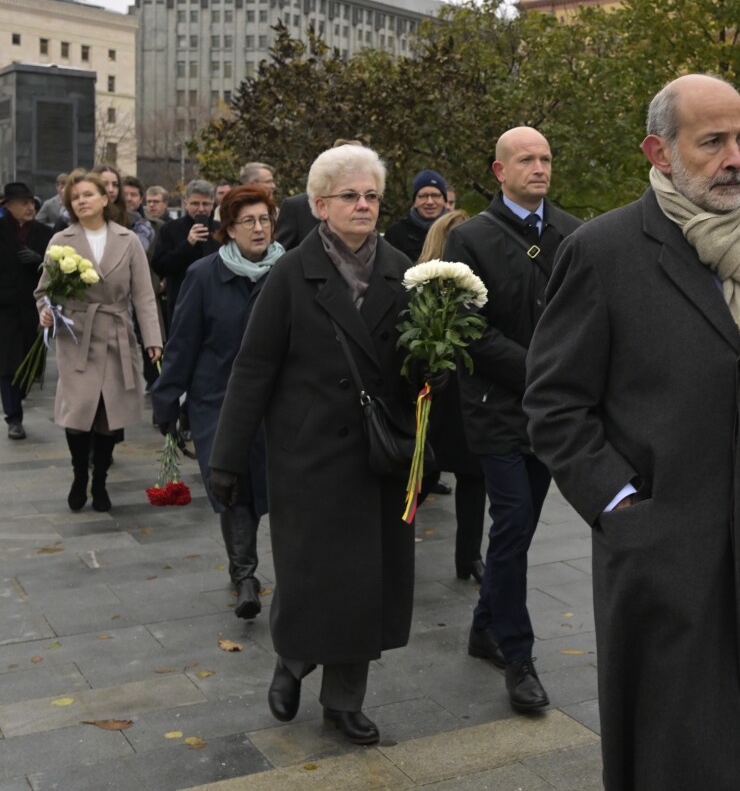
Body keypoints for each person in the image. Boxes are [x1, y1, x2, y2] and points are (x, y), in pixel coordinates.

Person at [525, 74, 740, 789]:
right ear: (660, 150)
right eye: (712, 142)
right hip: (659, 548)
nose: (735, 157)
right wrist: (621, 508)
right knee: (673, 746)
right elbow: (554, 404)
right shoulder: (603, 251)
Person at [208, 144, 418, 746]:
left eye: (371, 195)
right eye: (349, 195)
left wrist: (435, 366)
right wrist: (227, 458)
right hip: (307, 457)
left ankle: (344, 700)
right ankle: (293, 658)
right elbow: (253, 370)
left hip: (376, 457)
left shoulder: (401, 270)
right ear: (320, 204)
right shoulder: (291, 274)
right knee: (309, 577)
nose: (363, 205)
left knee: (366, 586)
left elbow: (413, 372)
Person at [443, 125, 583, 713]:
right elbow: (466, 328)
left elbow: (584, 315)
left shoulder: (573, 233)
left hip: (550, 414)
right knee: (513, 521)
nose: (539, 167)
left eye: (546, 158)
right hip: (495, 408)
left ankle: (483, 626)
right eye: (526, 159)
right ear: (500, 170)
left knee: (518, 530)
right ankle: (517, 655)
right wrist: (538, 370)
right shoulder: (470, 238)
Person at [152, 184, 282, 621]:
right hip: (218, 399)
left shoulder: (289, 272)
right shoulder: (204, 275)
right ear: (228, 228)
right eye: (249, 220)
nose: (259, 228)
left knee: (271, 484)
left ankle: (259, 567)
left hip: (276, 402)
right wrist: (167, 399)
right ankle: (246, 576)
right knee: (233, 486)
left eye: (265, 219)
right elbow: (183, 341)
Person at [37, 171, 163, 512]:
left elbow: (144, 295)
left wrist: (153, 340)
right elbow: (43, 291)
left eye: (88, 194)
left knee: (109, 416)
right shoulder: (61, 240)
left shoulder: (128, 240)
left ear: (106, 199)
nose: (81, 200)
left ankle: (101, 480)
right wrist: (46, 312)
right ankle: (80, 474)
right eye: (75, 196)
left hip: (117, 333)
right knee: (78, 413)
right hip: (77, 335)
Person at [416, 209, 486, 581]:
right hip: (438, 394)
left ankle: (469, 556)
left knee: (474, 476)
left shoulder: (479, 286)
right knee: (424, 472)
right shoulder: (424, 284)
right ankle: (391, 541)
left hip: (473, 393)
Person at [0, 182, 55, 440]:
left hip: (36, 309)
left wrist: (40, 261)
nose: (30, 207)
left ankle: (17, 397)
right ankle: (14, 417)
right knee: (7, 364)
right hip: (4, 308)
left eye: (32, 202)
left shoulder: (44, 233)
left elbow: (57, 270)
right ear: (9, 206)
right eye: (24, 203)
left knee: (32, 366)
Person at [151, 180, 219, 325]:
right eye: (195, 203)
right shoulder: (170, 229)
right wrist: (188, 244)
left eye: (206, 204)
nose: (201, 209)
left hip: (216, 304)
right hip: (181, 305)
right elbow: (160, 266)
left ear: (213, 204)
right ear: (186, 202)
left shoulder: (221, 230)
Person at [383, 170, 448, 261]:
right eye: (423, 196)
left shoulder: (456, 231)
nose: (430, 202)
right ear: (414, 201)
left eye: (435, 195)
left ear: (445, 201)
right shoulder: (396, 233)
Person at [94, 165, 156, 253]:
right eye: (105, 184)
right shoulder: (75, 218)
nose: (111, 190)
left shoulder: (135, 223)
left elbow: (134, 256)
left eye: (115, 185)